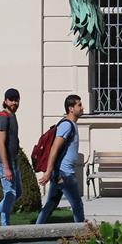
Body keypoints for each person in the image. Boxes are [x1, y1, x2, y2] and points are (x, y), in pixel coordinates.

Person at [36, 94, 86, 225]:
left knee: (51, 204)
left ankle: (36, 229)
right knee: (77, 204)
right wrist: (48, 172)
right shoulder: (67, 125)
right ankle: (82, 233)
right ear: (71, 108)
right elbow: (55, 148)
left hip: (60, 172)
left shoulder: (71, 124)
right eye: (79, 105)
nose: (82, 108)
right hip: (65, 173)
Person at [0, 88, 24, 226]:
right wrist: (6, 168)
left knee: (16, 193)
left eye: (16, 100)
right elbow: (1, 143)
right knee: (10, 193)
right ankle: (3, 225)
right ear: (5, 101)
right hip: (3, 163)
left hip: (13, 161)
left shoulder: (13, 116)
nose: (14, 103)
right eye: (11, 100)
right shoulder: (3, 117)